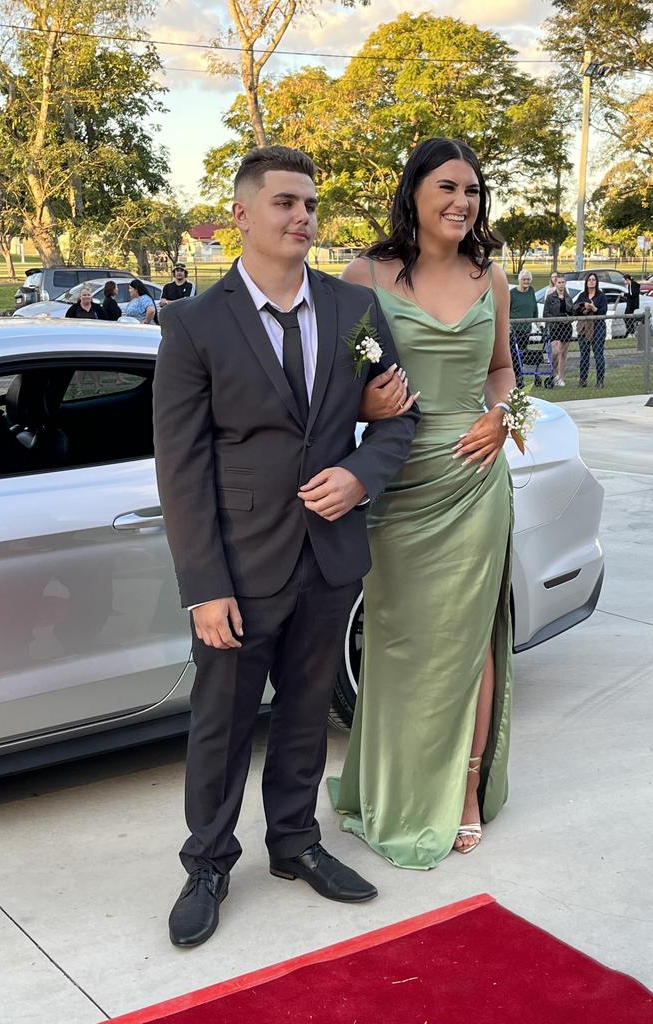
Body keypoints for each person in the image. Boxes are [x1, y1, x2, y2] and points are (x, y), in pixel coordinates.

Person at [153, 145, 419, 948]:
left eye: (309, 203)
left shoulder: (352, 314)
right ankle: (206, 862)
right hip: (239, 567)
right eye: (284, 203)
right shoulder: (194, 324)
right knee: (223, 724)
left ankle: (296, 844)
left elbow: (400, 417)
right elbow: (183, 464)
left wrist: (359, 475)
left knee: (306, 714)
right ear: (242, 214)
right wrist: (204, 586)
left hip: (329, 557)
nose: (302, 216)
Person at [332, 137, 517, 868]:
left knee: (469, 645)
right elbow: (336, 391)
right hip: (398, 482)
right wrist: (367, 402)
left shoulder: (490, 276)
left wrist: (503, 413)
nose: (461, 203)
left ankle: (464, 792)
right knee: (400, 644)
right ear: (413, 192)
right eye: (447, 187)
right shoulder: (362, 277)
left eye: (472, 190)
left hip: (473, 481)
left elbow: (503, 369)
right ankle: (390, 783)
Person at [573, 271, 608, 387]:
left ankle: (600, 381)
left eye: (593, 280)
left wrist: (594, 308)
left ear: (596, 282)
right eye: (589, 280)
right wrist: (584, 307)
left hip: (598, 327)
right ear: (586, 282)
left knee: (598, 353)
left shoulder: (601, 296)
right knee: (584, 354)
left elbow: (603, 312)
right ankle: (583, 380)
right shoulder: (582, 295)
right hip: (584, 328)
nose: (591, 282)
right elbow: (575, 309)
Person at [542, 273, 573, 386]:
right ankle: (554, 373)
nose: (561, 285)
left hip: (566, 328)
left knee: (563, 353)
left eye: (562, 282)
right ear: (555, 284)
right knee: (555, 351)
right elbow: (546, 314)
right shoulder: (550, 297)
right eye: (559, 282)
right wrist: (557, 320)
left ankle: (561, 377)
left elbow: (572, 313)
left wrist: (569, 319)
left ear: (565, 284)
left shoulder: (568, 298)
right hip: (555, 327)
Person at [508, 268, 538, 386]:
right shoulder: (512, 293)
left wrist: (537, 322)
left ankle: (520, 376)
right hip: (514, 330)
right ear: (519, 280)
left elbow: (534, 306)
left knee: (522, 353)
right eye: (524, 279)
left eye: (528, 279)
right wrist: (508, 324)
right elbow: (507, 309)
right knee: (514, 354)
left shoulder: (531, 291)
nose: (526, 281)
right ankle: (516, 377)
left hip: (526, 329)